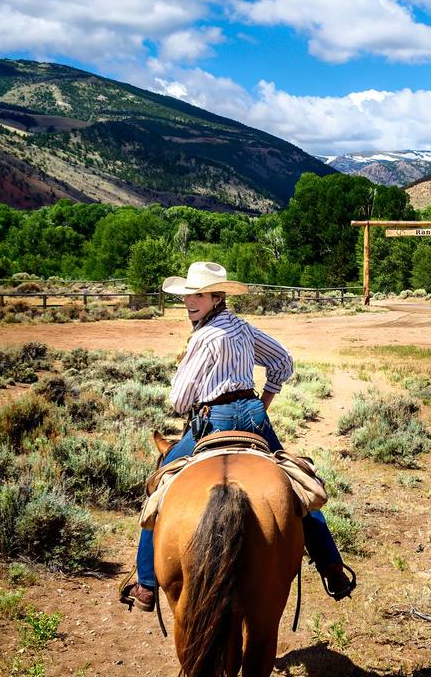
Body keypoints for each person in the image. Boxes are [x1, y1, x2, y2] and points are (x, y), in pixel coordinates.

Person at [123, 261, 356, 612]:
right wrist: (263, 401)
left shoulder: (203, 337)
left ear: (218, 296)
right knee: (297, 483)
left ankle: (145, 583)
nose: (190, 301)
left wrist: (195, 397)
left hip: (212, 417)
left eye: (198, 294)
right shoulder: (243, 327)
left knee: (161, 485)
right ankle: (332, 567)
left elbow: (178, 401)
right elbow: (283, 361)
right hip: (253, 415)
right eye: (188, 295)